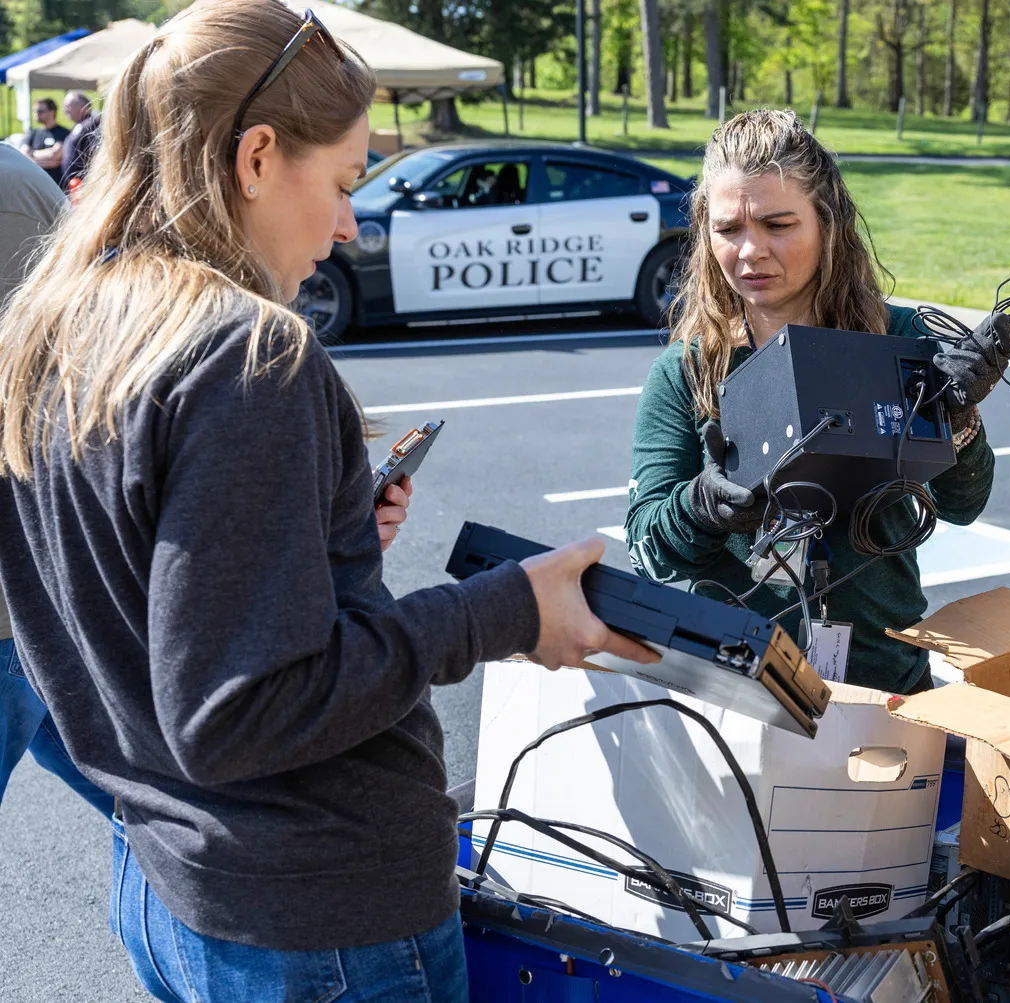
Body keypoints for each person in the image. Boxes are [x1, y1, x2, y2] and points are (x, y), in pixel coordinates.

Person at [0, 2, 655, 1000]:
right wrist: (506, 610)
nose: (351, 221)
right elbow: (237, 712)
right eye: (345, 181)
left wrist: (316, 534)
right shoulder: (246, 353)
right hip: (314, 914)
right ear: (257, 155)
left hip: (170, 879)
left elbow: (143, 598)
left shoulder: (50, 331)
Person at [625, 110, 1010, 696]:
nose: (751, 251)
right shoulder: (688, 371)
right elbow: (647, 554)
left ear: (827, 223)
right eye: (729, 229)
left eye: (778, 224)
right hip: (735, 686)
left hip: (887, 683)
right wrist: (702, 506)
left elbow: (963, 506)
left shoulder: (901, 341)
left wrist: (959, 419)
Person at [0, 141, 114, 819]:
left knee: (157, 809)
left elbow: (35, 394)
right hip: (29, 598)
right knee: (150, 807)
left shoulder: (7, 192)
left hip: (14, 608)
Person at [20, 98, 69, 187]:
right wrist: (41, 158)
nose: (36, 113)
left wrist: (32, 155)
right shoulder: (33, 132)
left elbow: (54, 154)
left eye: (40, 111)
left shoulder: (63, 132)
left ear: (52, 112)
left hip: (55, 184)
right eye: (34, 111)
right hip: (34, 184)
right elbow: (23, 154)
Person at [60, 90, 101, 192]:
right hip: (74, 186)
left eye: (68, 106)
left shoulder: (92, 124)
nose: (65, 110)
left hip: (85, 186)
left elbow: (95, 154)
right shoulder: (78, 124)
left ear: (83, 106)